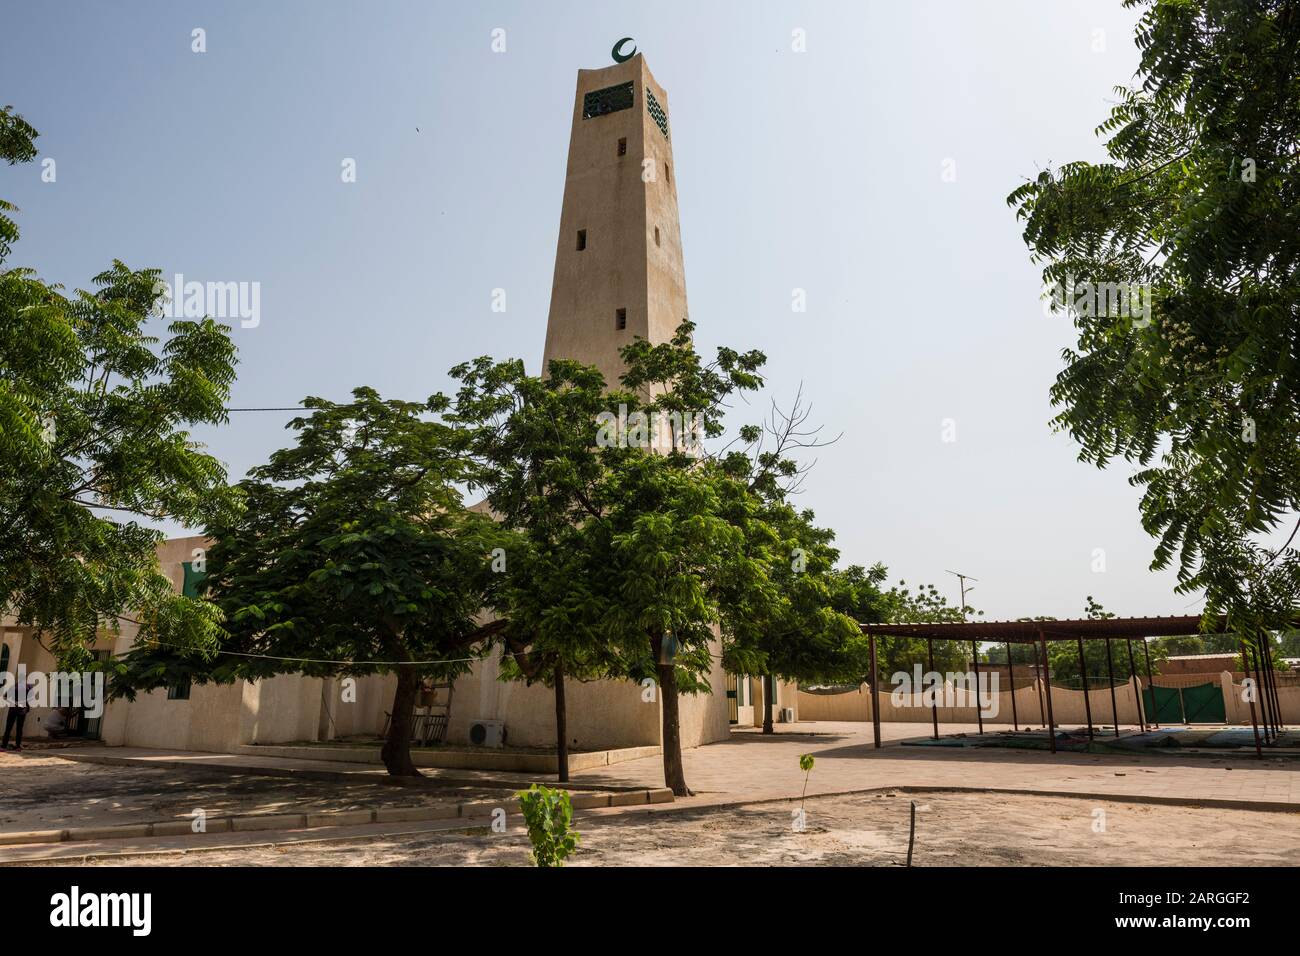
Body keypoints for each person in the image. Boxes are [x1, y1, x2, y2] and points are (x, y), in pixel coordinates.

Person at [2, 677, 35, 751]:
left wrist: (15, 702)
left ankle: (4, 746)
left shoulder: (15, 686)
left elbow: (5, 697)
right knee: (19, 728)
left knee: (9, 727)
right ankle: (17, 746)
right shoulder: (28, 687)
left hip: (14, 709)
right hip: (21, 710)